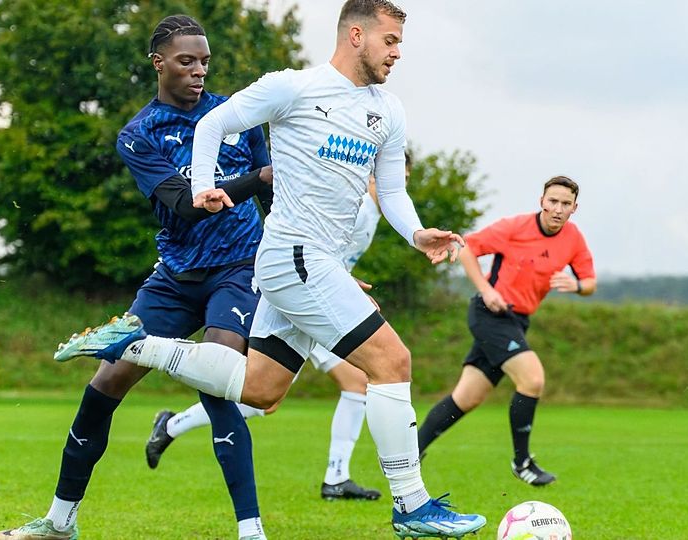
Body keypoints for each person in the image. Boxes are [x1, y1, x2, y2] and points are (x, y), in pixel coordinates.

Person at [54, 2, 486, 537]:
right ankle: (412, 507)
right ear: (356, 35)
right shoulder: (293, 87)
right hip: (294, 255)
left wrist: (417, 234)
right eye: (390, 41)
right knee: (392, 361)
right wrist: (204, 185)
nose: (398, 52)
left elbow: (392, 190)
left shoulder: (388, 111)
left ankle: (136, 346)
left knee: (262, 390)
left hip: (309, 263)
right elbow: (215, 121)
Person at [0, 15, 274, 540]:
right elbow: (182, 207)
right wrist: (254, 178)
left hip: (237, 270)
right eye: (186, 61)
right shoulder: (139, 134)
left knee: (218, 381)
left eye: (205, 61)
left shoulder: (237, 117)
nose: (198, 71)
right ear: (158, 62)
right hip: (174, 277)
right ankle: (59, 521)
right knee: (103, 386)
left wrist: (309, 258)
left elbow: (275, 198)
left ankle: (251, 531)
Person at [146, 158, 411, 502]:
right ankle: (154, 368)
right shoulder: (358, 208)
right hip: (306, 298)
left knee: (277, 396)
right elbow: (310, 249)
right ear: (372, 175)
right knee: (275, 392)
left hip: (319, 297)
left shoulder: (372, 213)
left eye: (404, 180)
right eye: (394, 177)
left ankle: (336, 477)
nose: (398, 185)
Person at [416, 175, 596, 487]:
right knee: (533, 378)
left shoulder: (573, 238)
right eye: (553, 201)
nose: (558, 209)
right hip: (490, 314)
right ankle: (522, 462)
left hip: (517, 321)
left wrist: (577, 285)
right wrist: (486, 290)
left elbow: (590, 283)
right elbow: (467, 248)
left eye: (565, 204)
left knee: (467, 397)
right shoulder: (514, 227)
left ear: (574, 208)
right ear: (541, 201)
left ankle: (410, 452)